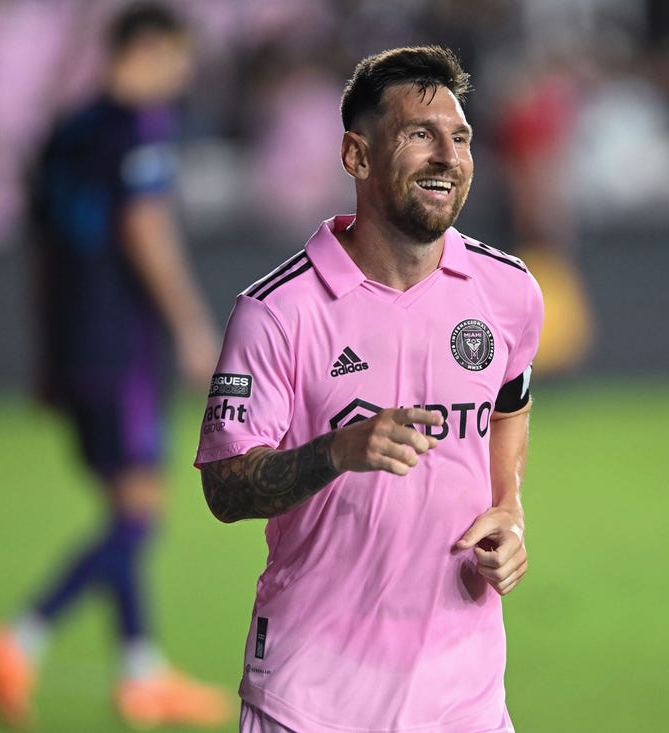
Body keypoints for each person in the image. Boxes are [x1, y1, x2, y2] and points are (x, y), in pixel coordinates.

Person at [195, 46, 544, 733]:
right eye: (420, 134)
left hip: (464, 696)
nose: (448, 154)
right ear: (356, 156)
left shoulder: (509, 292)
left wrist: (509, 507)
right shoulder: (277, 311)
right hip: (312, 695)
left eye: (461, 137)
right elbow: (225, 488)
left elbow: (509, 407)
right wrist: (336, 451)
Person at [0, 3, 229, 728]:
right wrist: (188, 325)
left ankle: (140, 670)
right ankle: (20, 635)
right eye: (177, 59)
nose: (182, 76)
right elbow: (144, 229)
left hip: (73, 342)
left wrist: (47, 354)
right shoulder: (139, 128)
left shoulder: (67, 130)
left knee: (125, 505)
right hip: (122, 343)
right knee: (140, 515)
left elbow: (43, 248)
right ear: (146, 49)